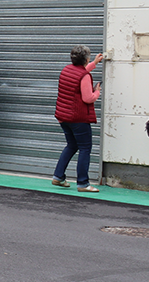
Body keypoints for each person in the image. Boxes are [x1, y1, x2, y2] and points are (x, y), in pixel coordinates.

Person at [51, 45, 103, 192]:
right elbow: (88, 98)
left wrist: (94, 63)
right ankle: (83, 183)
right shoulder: (84, 76)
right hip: (78, 118)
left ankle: (58, 176)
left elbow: (79, 75)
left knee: (72, 145)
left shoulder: (66, 70)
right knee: (85, 148)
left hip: (64, 117)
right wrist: (97, 92)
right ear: (85, 59)